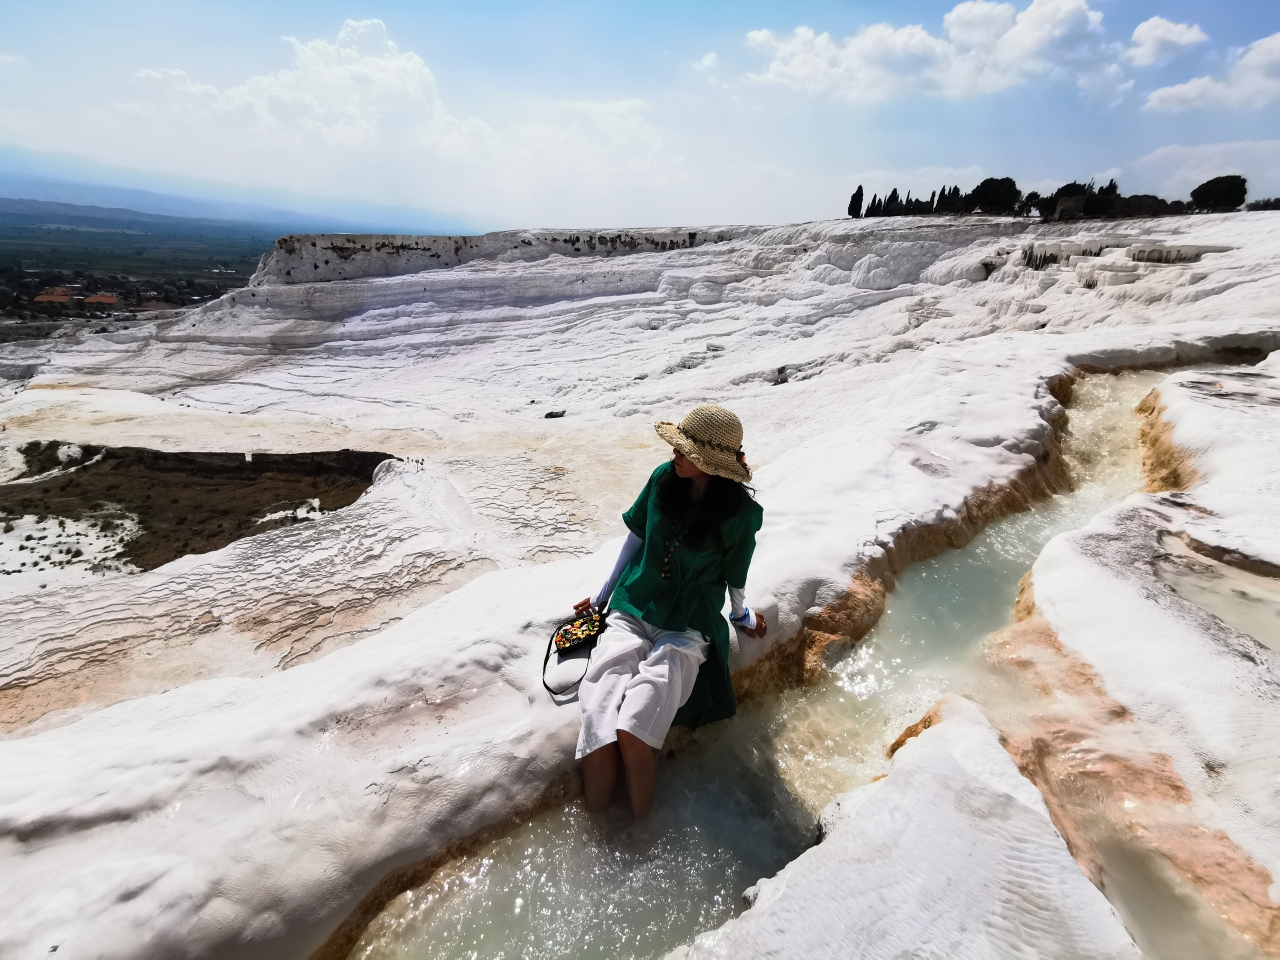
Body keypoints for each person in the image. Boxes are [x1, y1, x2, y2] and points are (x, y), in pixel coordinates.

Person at [572, 404, 767, 818]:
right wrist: (604, 594)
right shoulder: (665, 478)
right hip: (634, 603)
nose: (674, 453)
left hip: (688, 623)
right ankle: (595, 834)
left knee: (635, 727)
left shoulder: (741, 515)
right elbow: (638, 536)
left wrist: (740, 616)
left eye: (686, 450)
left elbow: (736, 574)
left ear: (711, 463)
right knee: (599, 715)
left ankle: (640, 833)